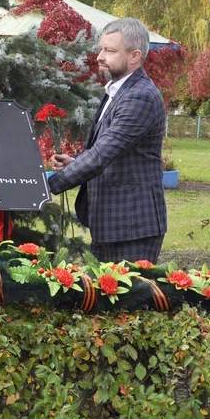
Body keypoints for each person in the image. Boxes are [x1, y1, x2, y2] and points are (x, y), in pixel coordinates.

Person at [46, 18, 167, 263]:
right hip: (112, 223)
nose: (100, 56)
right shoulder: (118, 90)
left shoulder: (139, 97)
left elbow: (103, 154)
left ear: (134, 56)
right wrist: (76, 162)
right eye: (101, 49)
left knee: (129, 300)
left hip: (132, 229)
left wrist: (47, 186)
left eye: (110, 51)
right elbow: (111, 150)